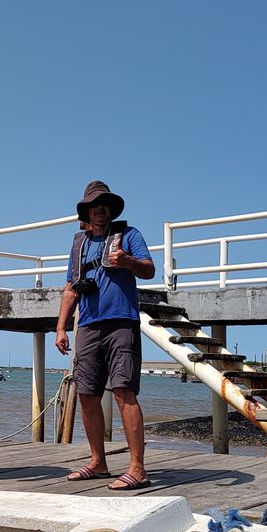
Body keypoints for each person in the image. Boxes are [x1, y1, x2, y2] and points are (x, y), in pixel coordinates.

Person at [55, 181, 156, 491]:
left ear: (111, 209)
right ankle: (98, 462)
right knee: (86, 394)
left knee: (124, 391)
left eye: (104, 203)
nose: (98, 208)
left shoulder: (129, 235)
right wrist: (60, 327)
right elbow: (71, 286)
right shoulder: (79, 244)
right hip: (87, 325)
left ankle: (137, 469)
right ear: (86, 211)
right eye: (93, 204)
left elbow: (150, 270)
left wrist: (126, 261)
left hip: (121, 321)